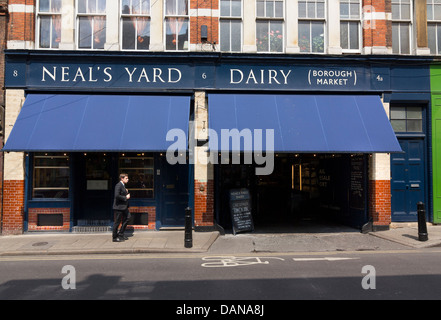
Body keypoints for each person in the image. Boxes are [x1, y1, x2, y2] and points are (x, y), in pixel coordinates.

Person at [112, 173, 131, 242]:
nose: (128, 180)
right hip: (119, 207)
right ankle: (114, 237)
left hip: (124, 207)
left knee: (128, 217)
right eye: (126, 178)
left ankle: (121, 234)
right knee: (117, 222)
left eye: (128, 178)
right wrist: (125, 197)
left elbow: (120, 193)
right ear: (122, 178)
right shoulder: (118, 185)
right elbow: (116, 195)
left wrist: (125, 191)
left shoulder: (123, 185)